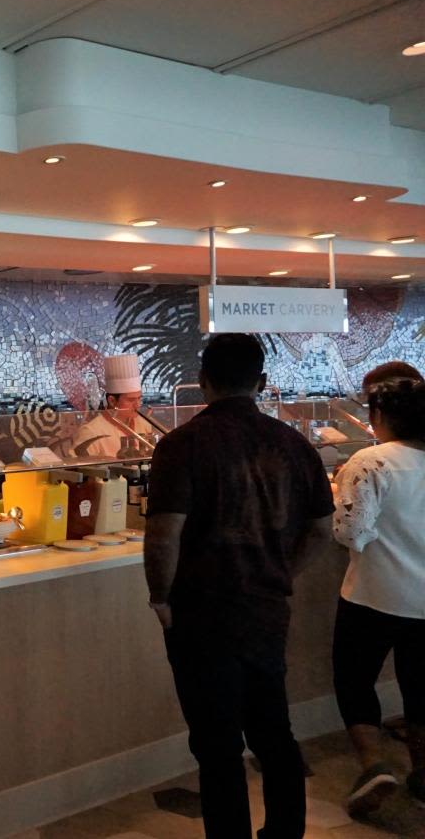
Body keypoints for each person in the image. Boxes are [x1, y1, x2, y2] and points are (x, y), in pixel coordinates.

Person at [144, 334, 335, 839]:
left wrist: (160, 597)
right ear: (262, 382)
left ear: (203, 381)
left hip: (201, 612)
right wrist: (282, 573)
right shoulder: (293, 443)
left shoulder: (182, 444)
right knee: (274, 732)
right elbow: (322, 530)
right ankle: (285, 832)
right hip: (266, 609)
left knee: (217, 745)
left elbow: (164, 533)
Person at [331, 377, 425, 816]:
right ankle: (422, 774)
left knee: (354, 679)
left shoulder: (371, 462)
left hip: (373, 595)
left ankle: (373, 765)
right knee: (420, 686)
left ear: (380, 416)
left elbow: (351, 532)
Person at [71, 353, 155, 458]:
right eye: (131, 400)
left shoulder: (144, 425)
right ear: (112, 401)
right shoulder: (91, 432)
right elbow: (77, 464)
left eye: (139, 398)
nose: (137, 405)